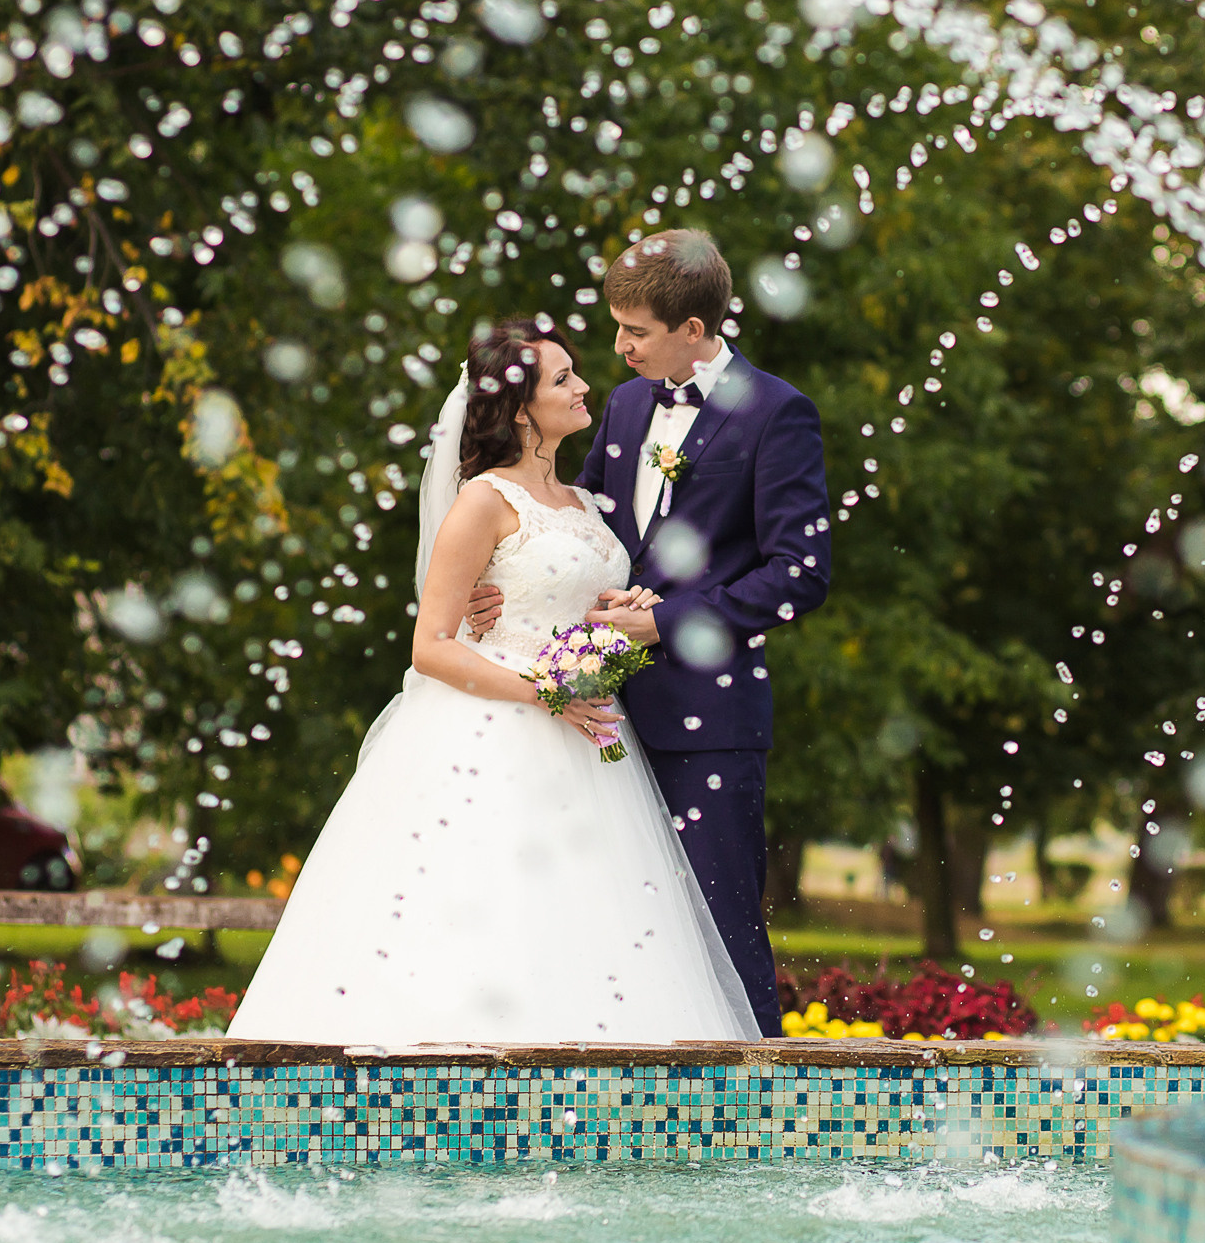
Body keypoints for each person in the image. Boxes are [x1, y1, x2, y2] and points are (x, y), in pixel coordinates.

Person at [227, 319, 754, 1046]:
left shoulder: (584, 502)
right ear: (519, 410)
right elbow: (431, 647)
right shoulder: (483, 500)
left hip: (593, 747)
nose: (585, 387)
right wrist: (548, 692)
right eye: (563, 379)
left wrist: (622, 609)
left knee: (587, 923)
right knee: (481, 907)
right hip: (493, 738)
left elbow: (569, 596)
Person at [573, 228, 833, 1035]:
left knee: (722, 934)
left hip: (710, 723)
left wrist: (664, 622)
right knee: (609, 930)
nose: (620, 348)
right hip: (600, 717)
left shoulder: (777, 412)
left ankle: (758, 1102)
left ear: (694, 328)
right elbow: (584, 524)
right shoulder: (625, 404)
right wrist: (504, 577)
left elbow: (800, 573)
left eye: (636, 332)